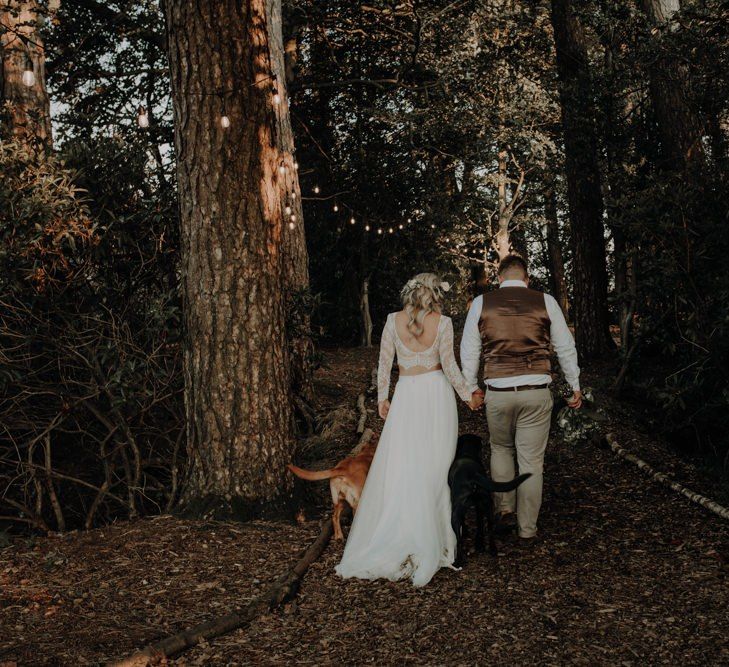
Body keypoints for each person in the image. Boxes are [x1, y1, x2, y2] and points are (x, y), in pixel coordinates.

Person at [335, 273, 482, 587]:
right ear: (433, 296)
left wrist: (383, 398)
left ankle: (402, 533)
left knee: (404, 466)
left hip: (406, 396)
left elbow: (384, 360)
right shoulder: (441, 323)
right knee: (434, 467)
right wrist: (468, 395)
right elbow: (450, 366)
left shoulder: (392, 320)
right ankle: (437, 537)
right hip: (436, 397)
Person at [460, 255, 582, 542]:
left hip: (498, 393)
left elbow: (469, 350)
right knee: (531, 462)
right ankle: (528, 529)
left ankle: (504, 511)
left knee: (501, 449)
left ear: (499, 278)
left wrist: (471, 388)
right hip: (536, 391)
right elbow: (566, 346)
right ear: (526, 278)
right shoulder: (545, 301)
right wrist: (574, 384)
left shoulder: (481, 303)